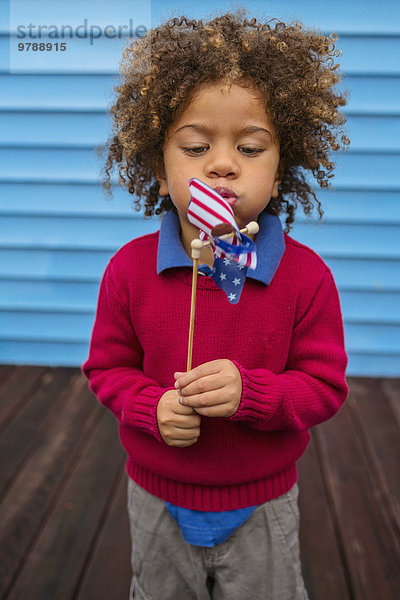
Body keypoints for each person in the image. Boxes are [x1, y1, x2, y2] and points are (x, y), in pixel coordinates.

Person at [83, 12, 349, 600]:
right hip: (155, 495)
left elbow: (324, 387)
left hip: (263, 499)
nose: (223, 163)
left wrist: (254, 394)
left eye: (250, 147)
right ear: (158, 168)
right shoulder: (129, 271)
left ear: (281, 171)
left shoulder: (305, 278)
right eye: (197, 145)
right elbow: (106, 370)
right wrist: (150, 407)